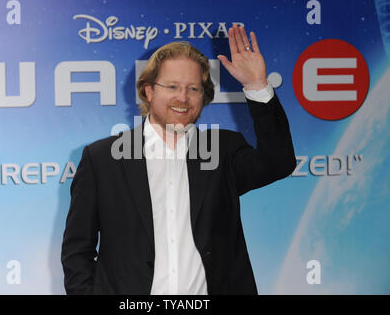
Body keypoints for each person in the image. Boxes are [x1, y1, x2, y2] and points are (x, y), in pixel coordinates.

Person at [61, 25, 296, 295]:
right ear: (148, 91)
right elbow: (77, 249)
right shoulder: (102, 159)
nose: (182, 98)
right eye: (172, 86)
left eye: (193, 89)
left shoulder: (223, 150)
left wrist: (257, 86)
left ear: (203, 96)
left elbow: (279, 162)